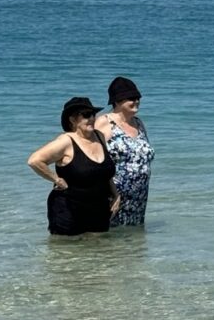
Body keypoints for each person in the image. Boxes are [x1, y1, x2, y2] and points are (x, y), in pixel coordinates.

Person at [28, 97, 120, 235]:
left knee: (101, 253)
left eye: (93, 114)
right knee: (68, 254)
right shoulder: (66, 141)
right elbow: (34, 161)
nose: (92, 118)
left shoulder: (99, 136)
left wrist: (116, 195)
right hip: (68, 210)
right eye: (86, 115)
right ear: (72, 120)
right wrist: (56, 179)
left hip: (98, 209)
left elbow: (104, 173)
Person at [95, 77, 155, 227]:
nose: (136, 101)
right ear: (117, 101)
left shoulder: (139, 123)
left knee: (133, 240)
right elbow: (88, 154)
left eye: (138, 98)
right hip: (114, 194)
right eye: (131, 98)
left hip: (139, 196)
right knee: (109, 237)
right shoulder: (104, 122)